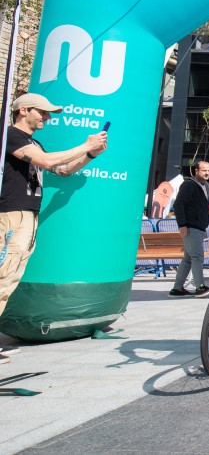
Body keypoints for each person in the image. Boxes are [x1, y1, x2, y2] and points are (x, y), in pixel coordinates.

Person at [0, 93, 107, 363]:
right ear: (23, 111)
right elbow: (48, 163)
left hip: (28, 216)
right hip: (12, 215)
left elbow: (63, 170)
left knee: (9, 279)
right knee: (3, 276)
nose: (47, 117)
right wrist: (85, 144)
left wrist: (90, 154)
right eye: (42, 112)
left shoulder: (32, 142)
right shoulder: (10, 135)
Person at [169, 160, 209, 297]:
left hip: (198, 226)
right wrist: (182, 225)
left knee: (188, 259)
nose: (207, 173)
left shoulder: (205, 186)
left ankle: (177, 288)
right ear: (196, 171)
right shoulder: (189, 185)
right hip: (191, 226)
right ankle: (200, 287)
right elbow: (178, 205)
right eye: (204, 170)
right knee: (197, 257)